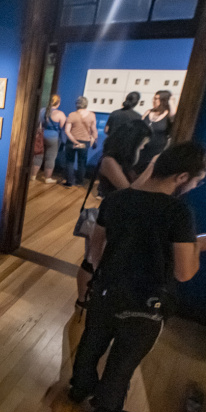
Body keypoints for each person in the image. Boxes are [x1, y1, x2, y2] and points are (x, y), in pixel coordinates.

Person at [69, 141, 206, 412]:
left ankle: (79, 389)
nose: (194, 187)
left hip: (105, 291)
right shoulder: (178, 213)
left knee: (91, 342)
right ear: (182, 177)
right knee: (123, 360)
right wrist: (196, 247)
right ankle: (106, 411)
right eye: (196, 181)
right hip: (145, 302)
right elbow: (184, 272)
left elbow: (94, 252)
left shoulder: (116, 200)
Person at [74, 121, 156, 309]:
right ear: (132, 142)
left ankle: (95, 297)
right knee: (91, 259)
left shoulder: (122, 162)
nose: (143, 148)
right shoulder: (109, 161)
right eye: (142, 144)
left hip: (118, 216)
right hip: (109, 215)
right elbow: (129, 192)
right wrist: (152, 167)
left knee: (103, 258)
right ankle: (82, 300)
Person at [30, 94, 66, 183]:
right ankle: (47, 178)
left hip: (42, 134)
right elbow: (61, 126)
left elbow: (38, 122)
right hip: (53, 137)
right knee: (50, 158)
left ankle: (33, 176)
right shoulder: (60, 114)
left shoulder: (42, 110)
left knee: (38, 156)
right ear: (58, 103)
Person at [63, 97, 98, 187]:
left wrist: (75, 141)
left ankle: (69, 182)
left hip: (72, 142)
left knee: (69, 161)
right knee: (82, 162)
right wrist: (95, 141)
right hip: (85, 142)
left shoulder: (72, 115)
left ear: (77, 104)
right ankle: (80, 182)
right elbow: (94, 130)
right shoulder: (92, 115)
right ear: (86, 104)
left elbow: (67, 131)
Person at [138, 90, 174, 167]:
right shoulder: (148, 112)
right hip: (141, 149)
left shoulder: (168, 115)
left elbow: (174, 116)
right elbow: (138, 127)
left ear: (163, 100)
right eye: (154, 98)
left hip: (156, 151)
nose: (153, 101)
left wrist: (171, 102)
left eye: (156, 99)